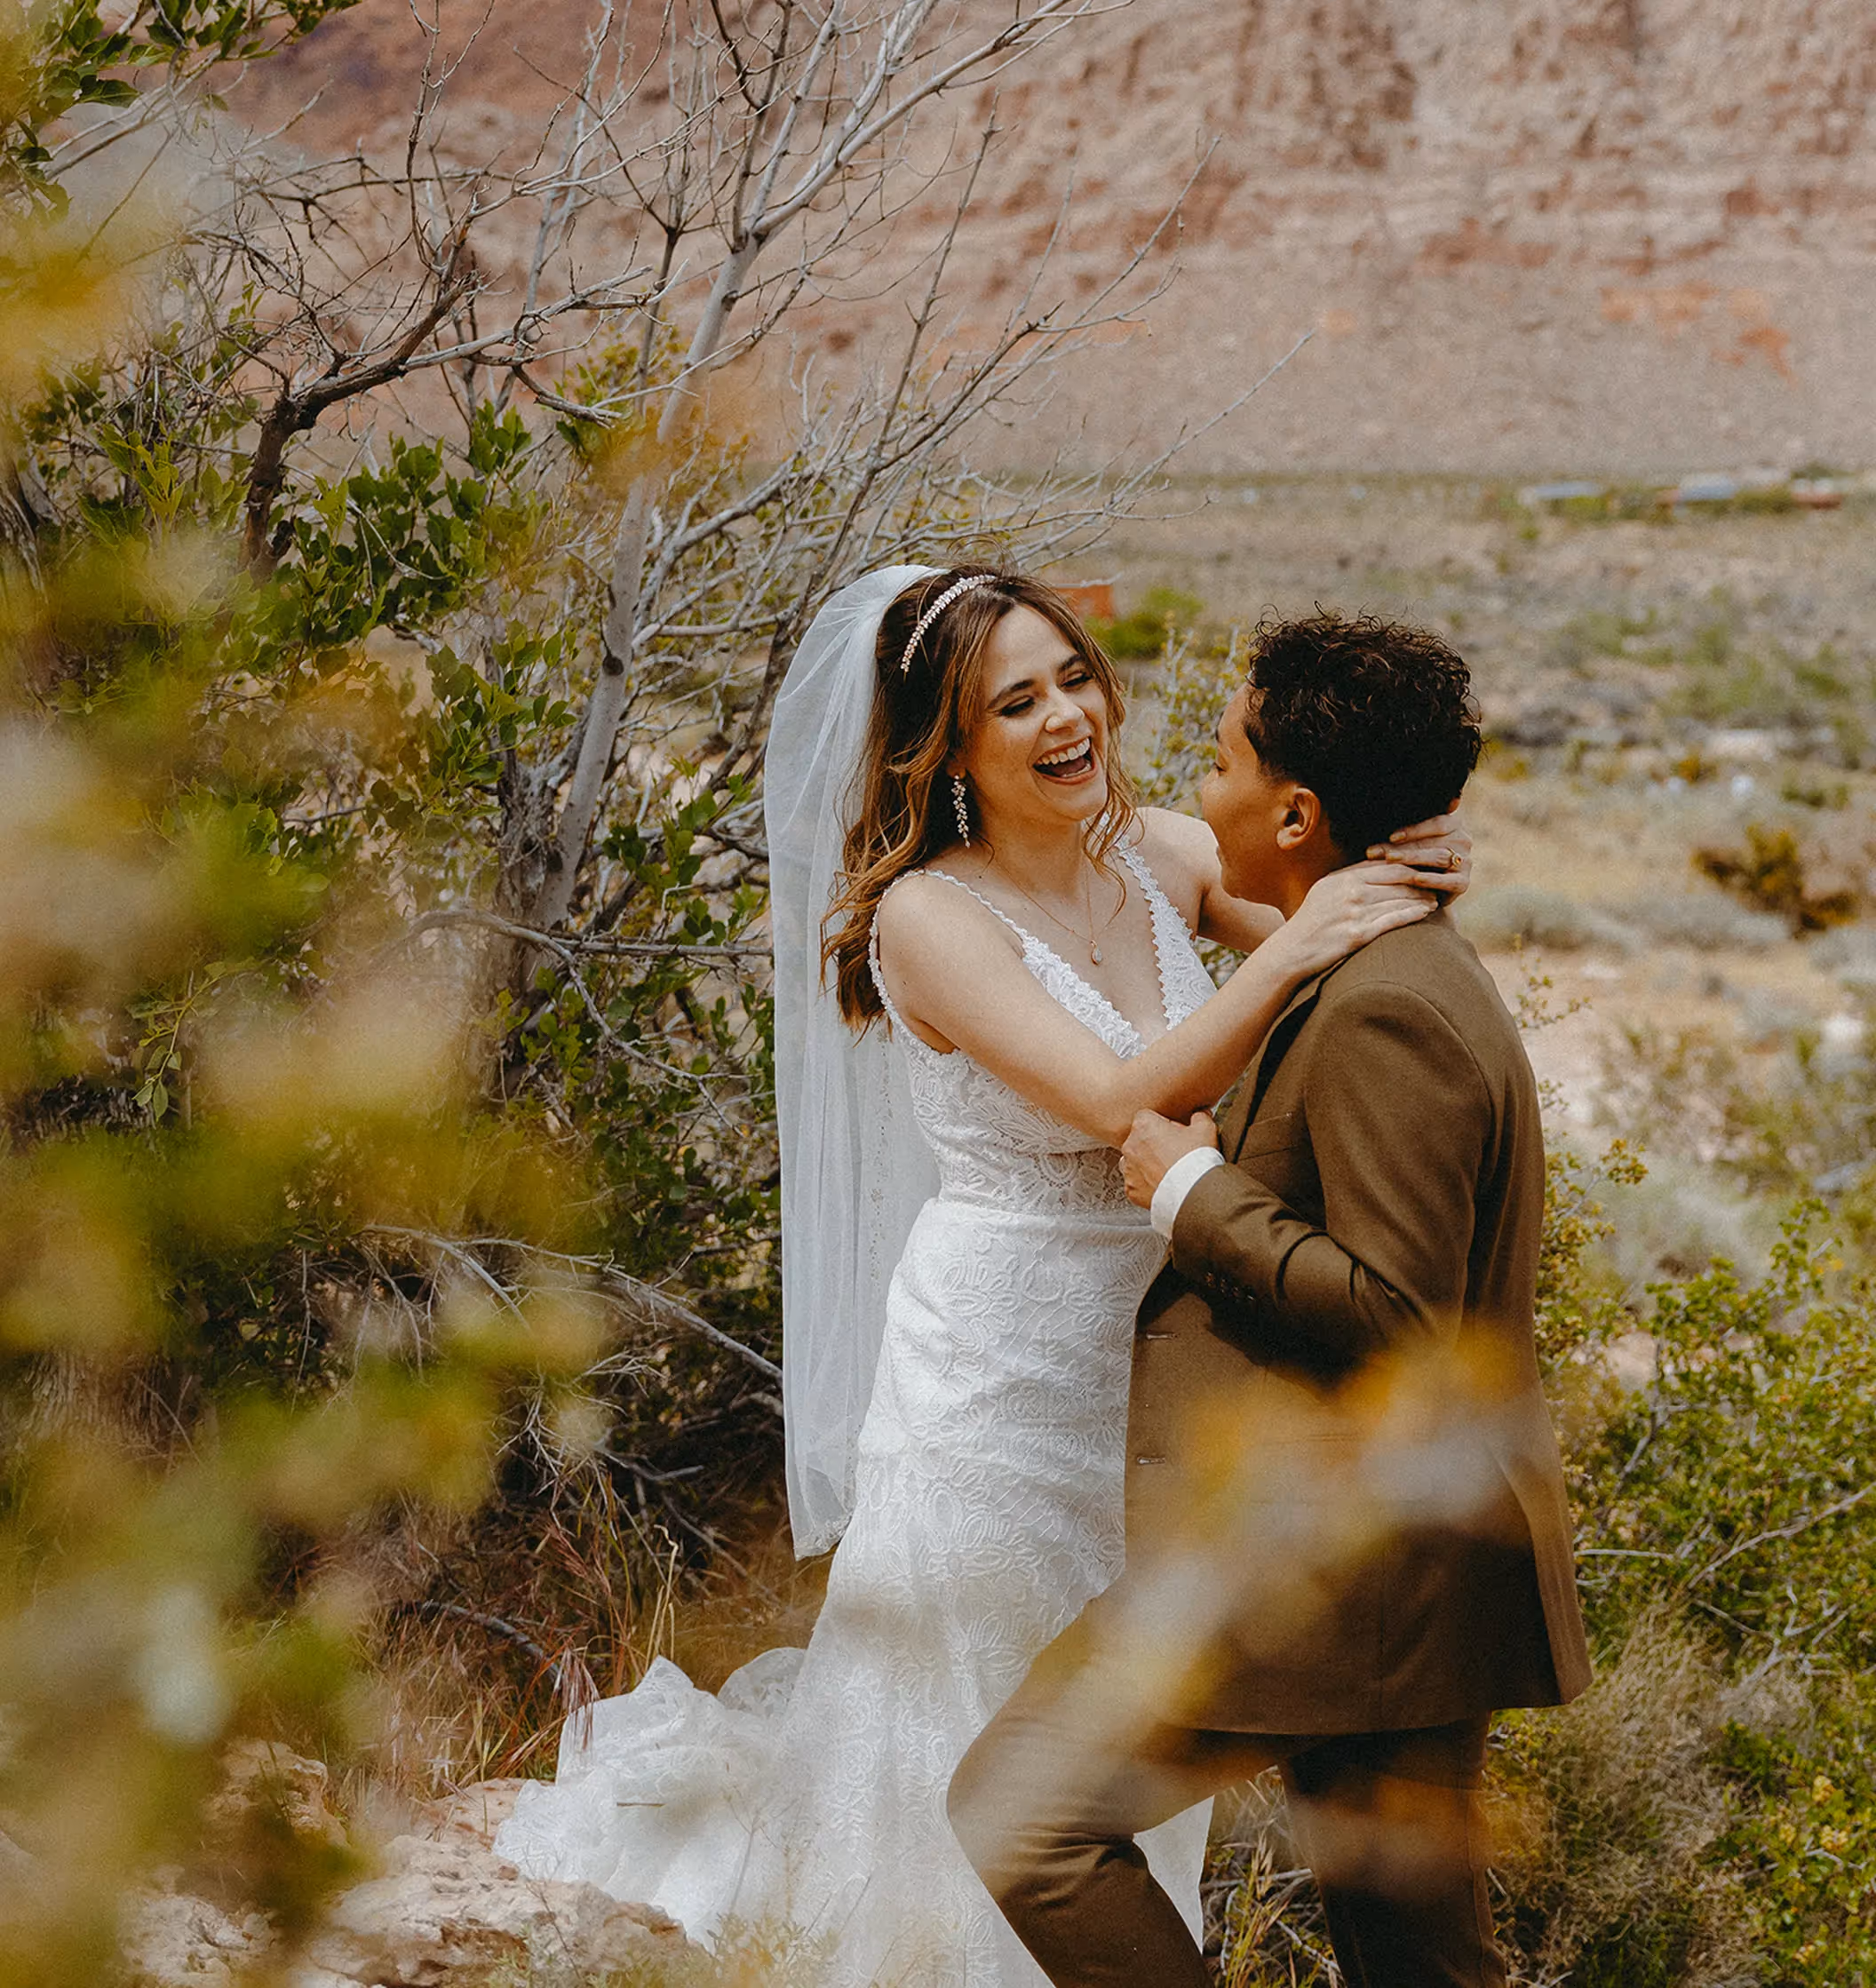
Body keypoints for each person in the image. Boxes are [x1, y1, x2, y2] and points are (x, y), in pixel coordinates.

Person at [494, 570, 1471, 1988]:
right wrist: (1305, 939)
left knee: (1122, 1738)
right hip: (999, 1380)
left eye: (1073, 676)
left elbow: (1355, 973)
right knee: (971, 1723)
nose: (1069, 714)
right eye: (1016, 701)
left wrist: (1397, 874)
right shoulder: (924, 922)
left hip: (1157, 1376)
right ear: (944, 747)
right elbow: (1122, 1093)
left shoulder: (1160, 857)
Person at [947, 610, 1593, 1988]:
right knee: (1416, 1959)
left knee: (1031, 1814)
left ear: (1298, 811)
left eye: (1227, 760)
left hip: (1343, 1561)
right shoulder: (1372, 952)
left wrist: (1190, 1187)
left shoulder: (1385, 1003)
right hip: (1387, 1546)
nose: (1204, 787)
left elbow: (1406, 1317)